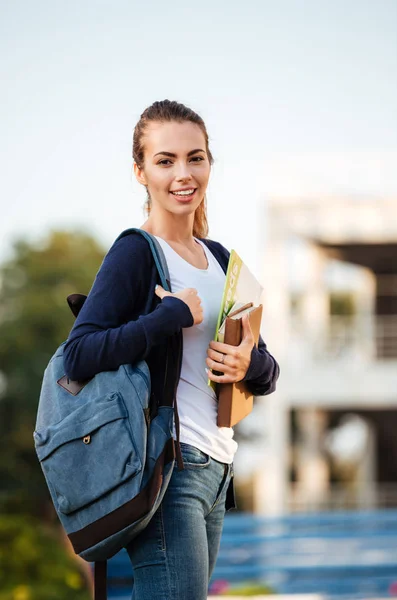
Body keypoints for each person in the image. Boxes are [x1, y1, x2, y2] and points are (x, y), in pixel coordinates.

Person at [63, 99, 280, 600]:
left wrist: (249, 363)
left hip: (219, 469)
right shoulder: (136, 252)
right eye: (165, 161)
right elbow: (79, 355)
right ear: (140, 172)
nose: (183, 174)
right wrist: (168, 318)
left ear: (209, 163)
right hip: (169, 469)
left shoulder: (222, 259)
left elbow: (266, 371)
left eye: (195, 157)